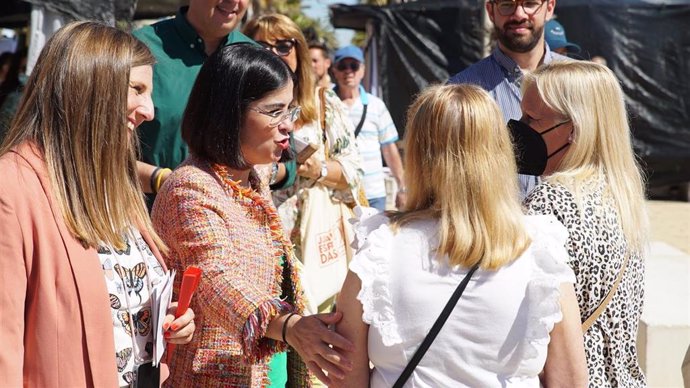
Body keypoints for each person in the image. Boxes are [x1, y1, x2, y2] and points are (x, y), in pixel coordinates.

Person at [333, 84, 588, 387]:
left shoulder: (379, 247)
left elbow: (346, 375)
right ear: (499, 151)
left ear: (417, 153)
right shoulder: (540, 249)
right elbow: (570, 381)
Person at [0, 21, 195, 387]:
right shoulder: (10, 189)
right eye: (136, 89)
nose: (149, 111)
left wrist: (164, 319)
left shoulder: (113, 183)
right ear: (88, 86)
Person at [151, 43, 354, 387]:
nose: (288, 126)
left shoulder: (253, 175)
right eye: (274, 112)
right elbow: (216, 278)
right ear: (228, 114)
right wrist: (289, 327)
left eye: (289, 110)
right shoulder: (190, 188)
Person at [519, 61, 648, 387]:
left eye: (532, 119)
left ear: (574, 127)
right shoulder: (621, 194)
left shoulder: (549, 203)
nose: (519, 128)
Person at [243, 14, 363, 312]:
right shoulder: (238, 105)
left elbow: (353, 170)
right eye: (261, 45)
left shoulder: (323, 102)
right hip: (259, 236)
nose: (273, 54)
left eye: (283, 46)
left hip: (315, 234)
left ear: (298, 51)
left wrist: (316, 169)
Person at [133, 0, 254, 203]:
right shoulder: (138, 49)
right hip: (146, 218)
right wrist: (163, 180)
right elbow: (98, 151)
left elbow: (286, 159)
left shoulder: (256, 59)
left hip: (230, 223)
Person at [449, 0, 567, 198]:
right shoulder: (461, 93)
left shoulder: (584, 84)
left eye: (530, 3)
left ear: (549, 7)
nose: (519, 14)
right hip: (500, 228)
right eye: (506, 4)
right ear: (490, 11)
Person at [332, 45, 406, 211]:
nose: (348, 71)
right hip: (337, 193)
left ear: (363, 70)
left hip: (373, 193)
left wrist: (402, 187)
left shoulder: (376, 105)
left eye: (354, 66)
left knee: (373, 237)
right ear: (335, 71)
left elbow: (389, 148)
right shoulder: (325, 103)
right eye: (343, 66)